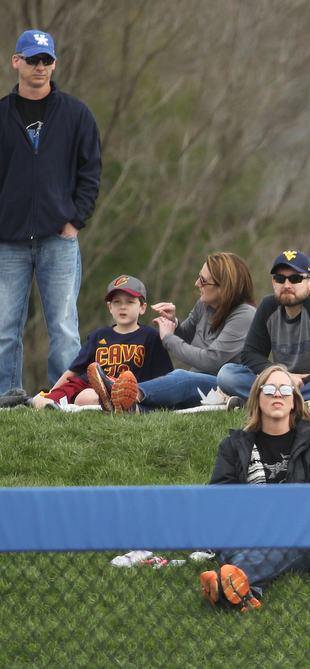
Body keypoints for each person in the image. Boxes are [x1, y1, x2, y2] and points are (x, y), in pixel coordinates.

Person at [0, 30, 101, 394]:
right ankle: (6, 397)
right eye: (32, 60)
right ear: (17, 62)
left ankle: (65, 398)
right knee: (4, 326)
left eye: (46, 60)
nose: (40, 67)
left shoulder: (77, 114)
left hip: (59, 239)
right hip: (7, 242)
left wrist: (76, 220)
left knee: (63, 325)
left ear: (54, 63)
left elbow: (90, 172)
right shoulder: (1, 115)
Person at [202, 364, 310, 611]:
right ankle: (241, 592)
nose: (277, 394)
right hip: (246, 532)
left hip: (301, 534)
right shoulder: (233, 446)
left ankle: (232, 582)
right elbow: (220, 503)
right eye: (268, 389)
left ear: (294, 401)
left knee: (290, 541)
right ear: (257, 399)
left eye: (285, 389)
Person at [216, 250, 310, 407]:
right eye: (280, 279)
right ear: (273, 283)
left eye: (295, 279)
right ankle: (305, 402)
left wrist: (303, 381)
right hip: (283, 382)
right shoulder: (268, 307)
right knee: (227, 374)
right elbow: (250, 354)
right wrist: (281, 376)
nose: (286, 285)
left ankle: (267, 400)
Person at [129, 253, 257, 410]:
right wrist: (173, 323)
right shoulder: (205, 304)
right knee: (170, 398)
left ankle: (130, 392)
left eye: (203, 281)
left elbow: (209, 359)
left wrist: (169, 338)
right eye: (199, 277)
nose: (197, 283)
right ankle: (131, 408)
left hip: (221, 386)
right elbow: (187, 336)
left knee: (182, 379)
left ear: (224, 287)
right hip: (197, 380)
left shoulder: (245, 315)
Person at [32, 275, 172, 412]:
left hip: (129, 391)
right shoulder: (98, 336)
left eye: (130, 302)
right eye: (117, 302)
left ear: (142, 307)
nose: (123, 307)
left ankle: (113, 401)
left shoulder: (151, 336)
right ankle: (52, 405)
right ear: (110, 307)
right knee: (42, 399)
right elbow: (74, 370)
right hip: (91, 386)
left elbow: (162, 376)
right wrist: (52, 392)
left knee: (86, 398)